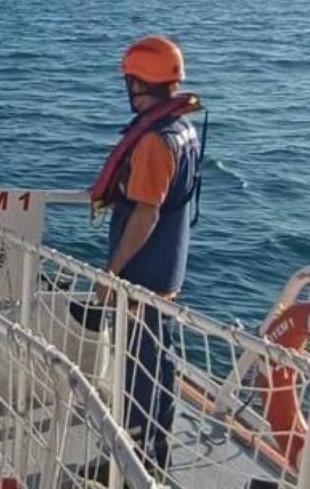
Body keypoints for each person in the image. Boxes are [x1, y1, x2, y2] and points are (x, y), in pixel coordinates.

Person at [89, 35, 204, 475]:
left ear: (139, 84)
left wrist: (111, 273)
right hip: (166, 271)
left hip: (142, 275)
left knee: (138, 371)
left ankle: (131, 465)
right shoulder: (183, 130)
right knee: (159, 364)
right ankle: (155, 453)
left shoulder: (155, 141)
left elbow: (145, 214)